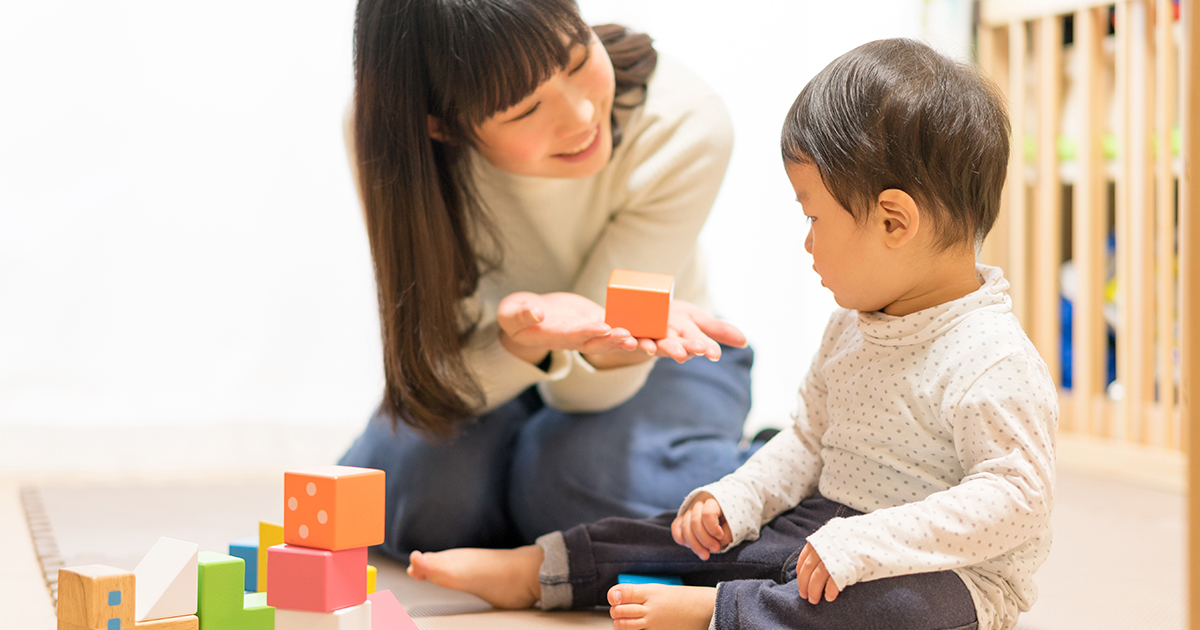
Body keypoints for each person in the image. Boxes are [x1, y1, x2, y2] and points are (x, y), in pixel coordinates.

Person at [403, 38, 1059, 630]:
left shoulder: (990, 356)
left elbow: (1016, 499)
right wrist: (735, 499)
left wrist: (868, 546)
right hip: (825, 527)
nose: (807, 244)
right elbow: (806, 441)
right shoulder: (850, 330)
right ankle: (542, 570)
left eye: (815, 217)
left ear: (894, 222)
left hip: (940, 571)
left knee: (898, 611)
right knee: (688, 537)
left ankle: (723, 612)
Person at [338, 0, 760, 558]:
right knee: (428, 505)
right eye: (525, 109)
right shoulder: (393, 140)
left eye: (579, 57)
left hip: (661, 353)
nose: (582, 114)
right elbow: (440, 372)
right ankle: (528, 500)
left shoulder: (683, 123)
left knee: (574, 483)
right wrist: (519, 344)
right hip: (491, 360)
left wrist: (601, 344)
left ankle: (769, 464)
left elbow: (592, 383)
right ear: (438, 126)